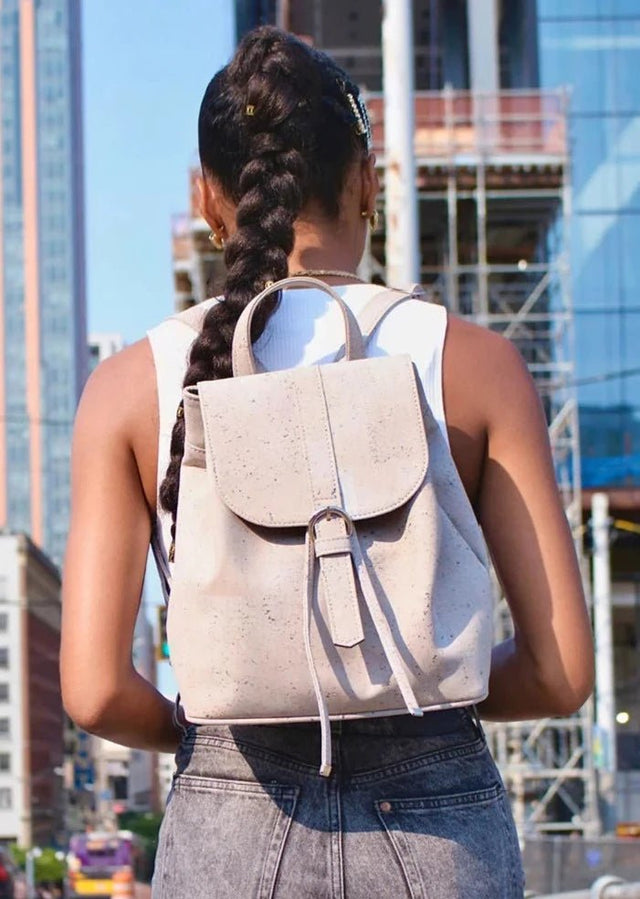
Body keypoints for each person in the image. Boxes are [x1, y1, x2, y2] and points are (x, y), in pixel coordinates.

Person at [61, 26, 594, 899]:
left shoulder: (130, 388)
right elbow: (562, 670)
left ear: (208, 199)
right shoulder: (476, 365)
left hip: (230, 828)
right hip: (437, 826)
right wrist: (423, 686)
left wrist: (213, 726)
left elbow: (91, 690)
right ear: (367, 182)